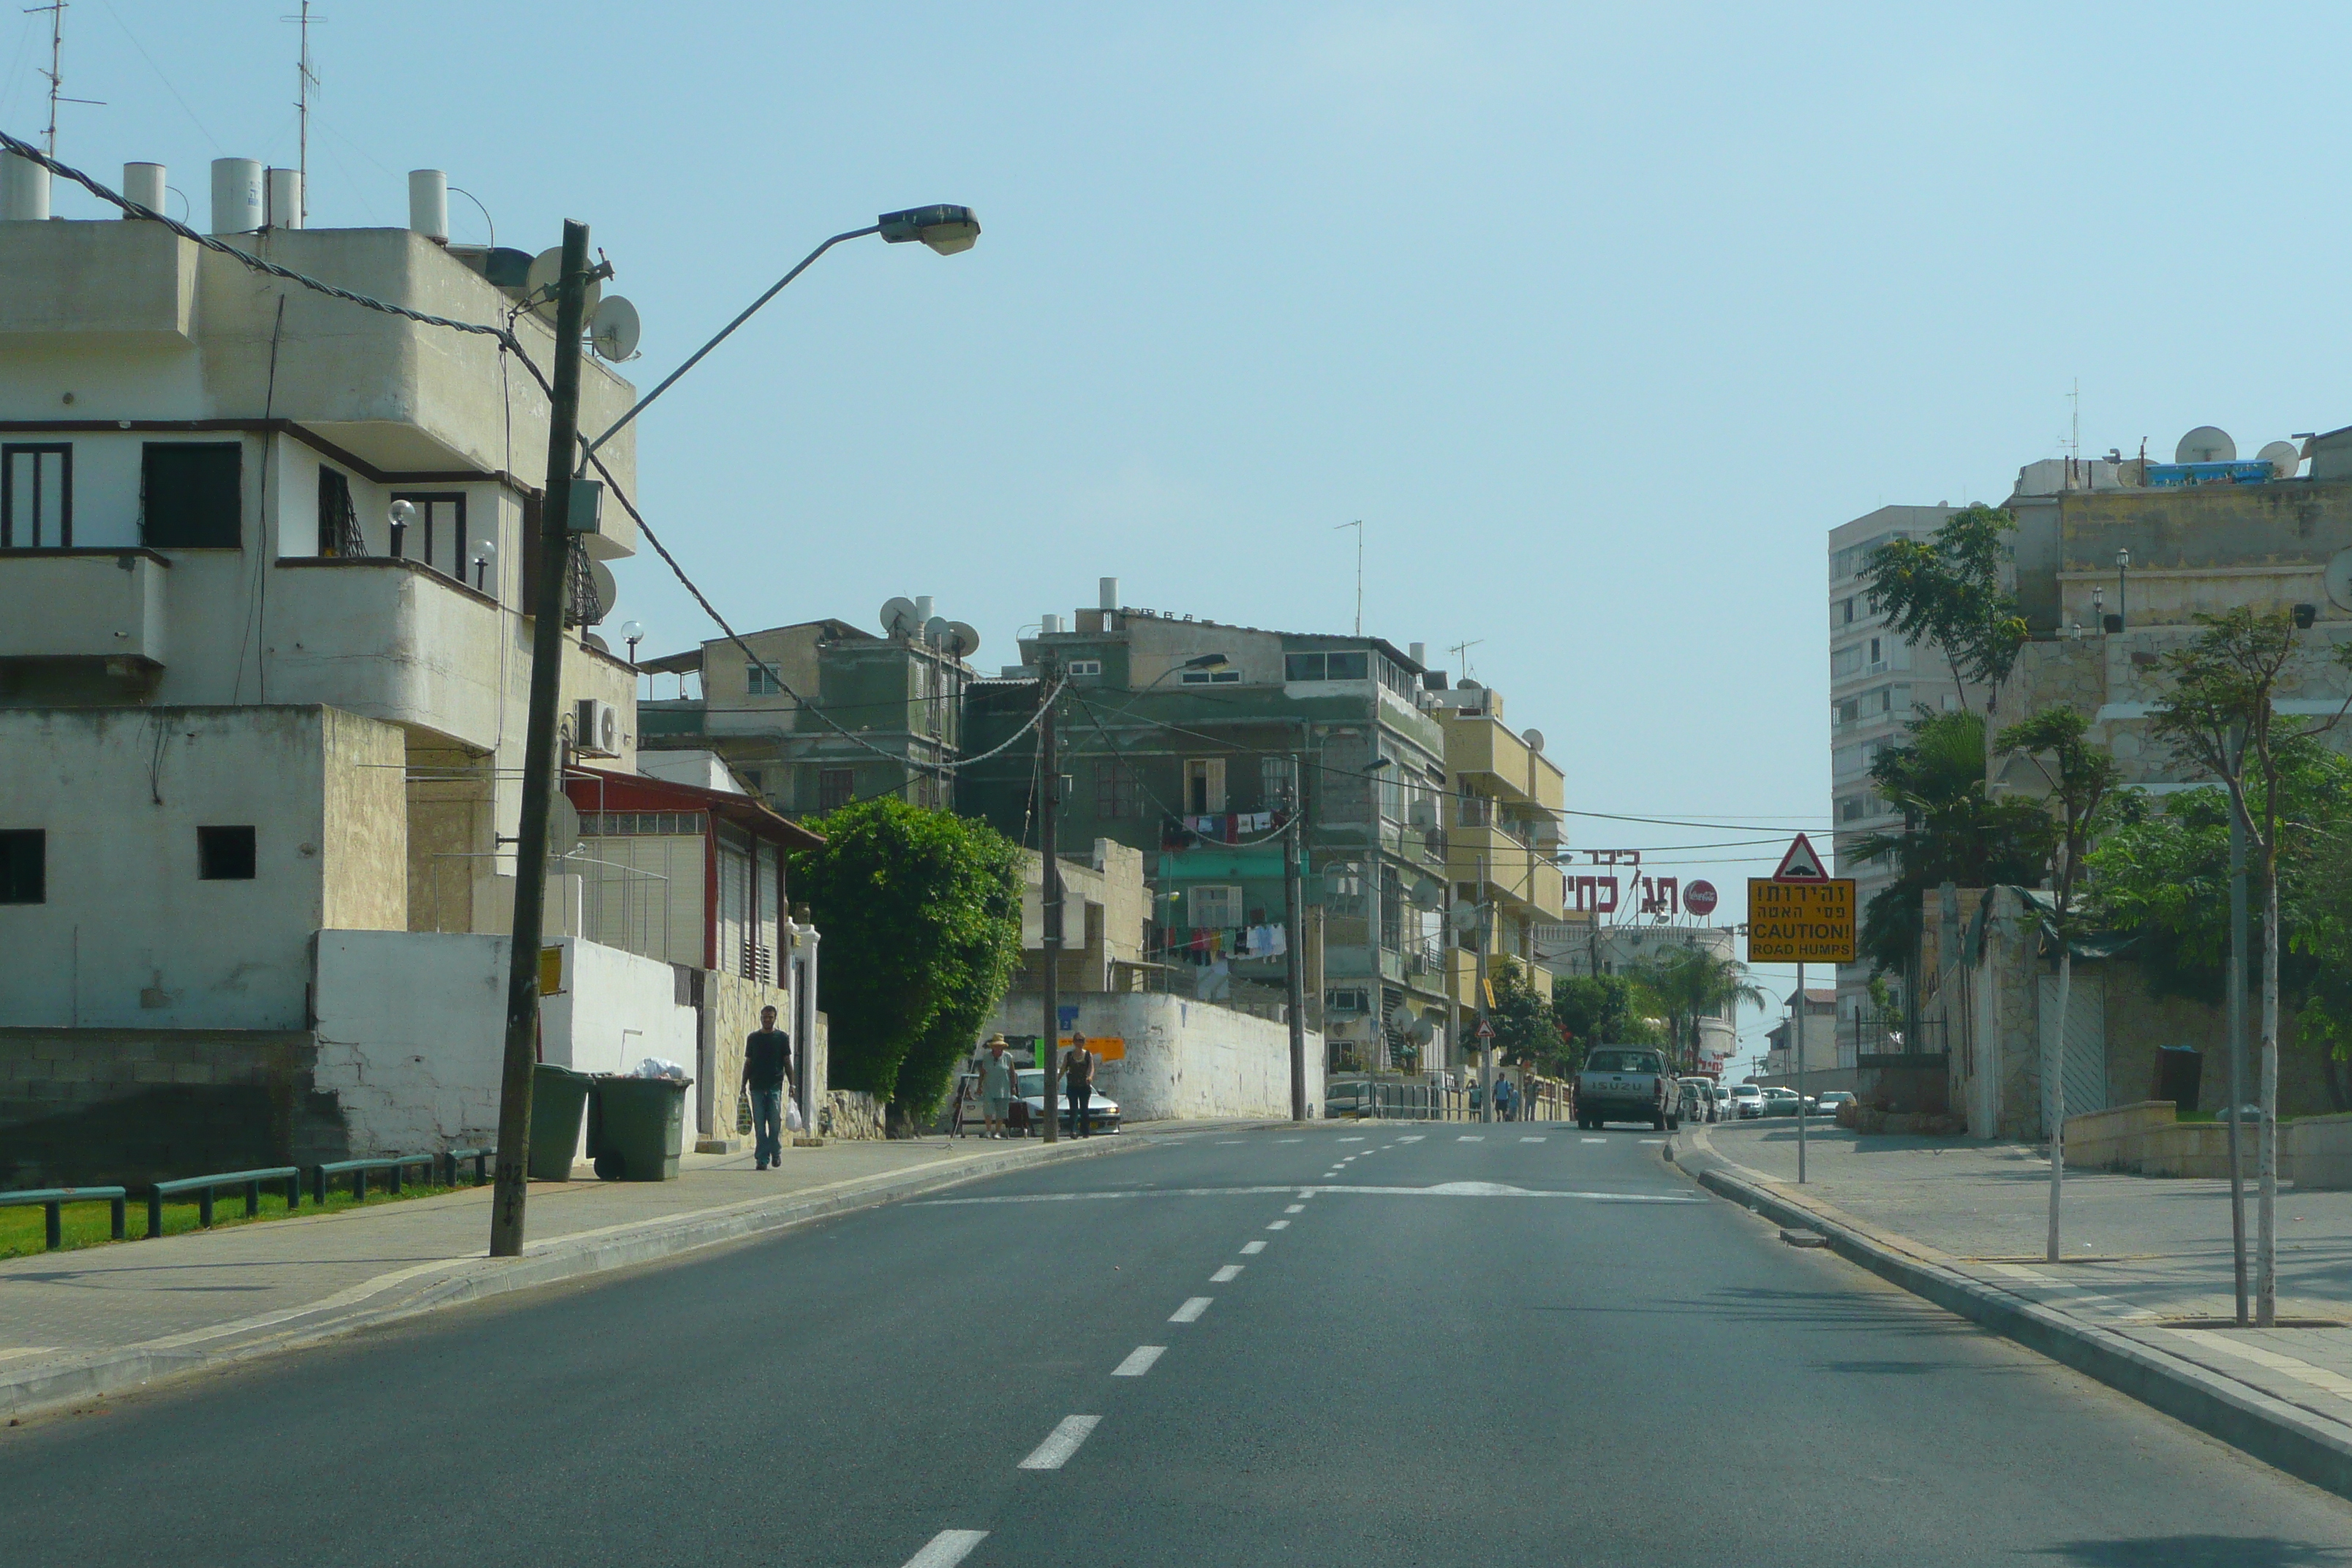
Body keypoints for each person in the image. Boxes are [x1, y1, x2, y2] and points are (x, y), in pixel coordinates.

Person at [742, 1005, 793, 1171]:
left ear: (775, 1018)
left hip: (774, 1087)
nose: (767, 1020)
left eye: (770, 1017)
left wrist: (792, 1084)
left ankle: (776, 1153)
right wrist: (743, 1085)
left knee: (774, 1123)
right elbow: (748, 1063)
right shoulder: (753, 1039)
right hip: (756, 1087)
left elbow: (787, 1062)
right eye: (764, 1017)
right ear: (761, 1018)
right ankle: (762, 1159)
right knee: (759, 1125)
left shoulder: (782, 1038)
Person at [977, 1033, 1020, 1139]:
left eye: (1000, 1046)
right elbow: (982, 1073)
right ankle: (988, 1131)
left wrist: (1013, 1087)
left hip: (1003, 1088)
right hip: (989, 1087)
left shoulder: (1008, 1057)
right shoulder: (986, 1057)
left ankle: (997, 1132)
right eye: (996, 1046)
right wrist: (979, 1086)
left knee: (1001, 1111)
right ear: (992, 1047)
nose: (998, 1048)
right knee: (988, 1110)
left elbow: (1012, 1073)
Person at [1063, 1039, 1097, 1137]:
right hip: (1072, 1086)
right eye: (1077, 1040)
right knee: (1073, 1110)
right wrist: (1057, 1080)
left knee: (1084, 1110)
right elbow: (1063, 1067)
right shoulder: (1069, 1055)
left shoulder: (1088, 1055)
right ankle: (1073, 1131)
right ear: (1074, 1042)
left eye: (1082, 1040)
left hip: (1084, 1086)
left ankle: (1085, 1132)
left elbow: (1092, 1068)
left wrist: (1090, 1077)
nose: (1079, 1043)